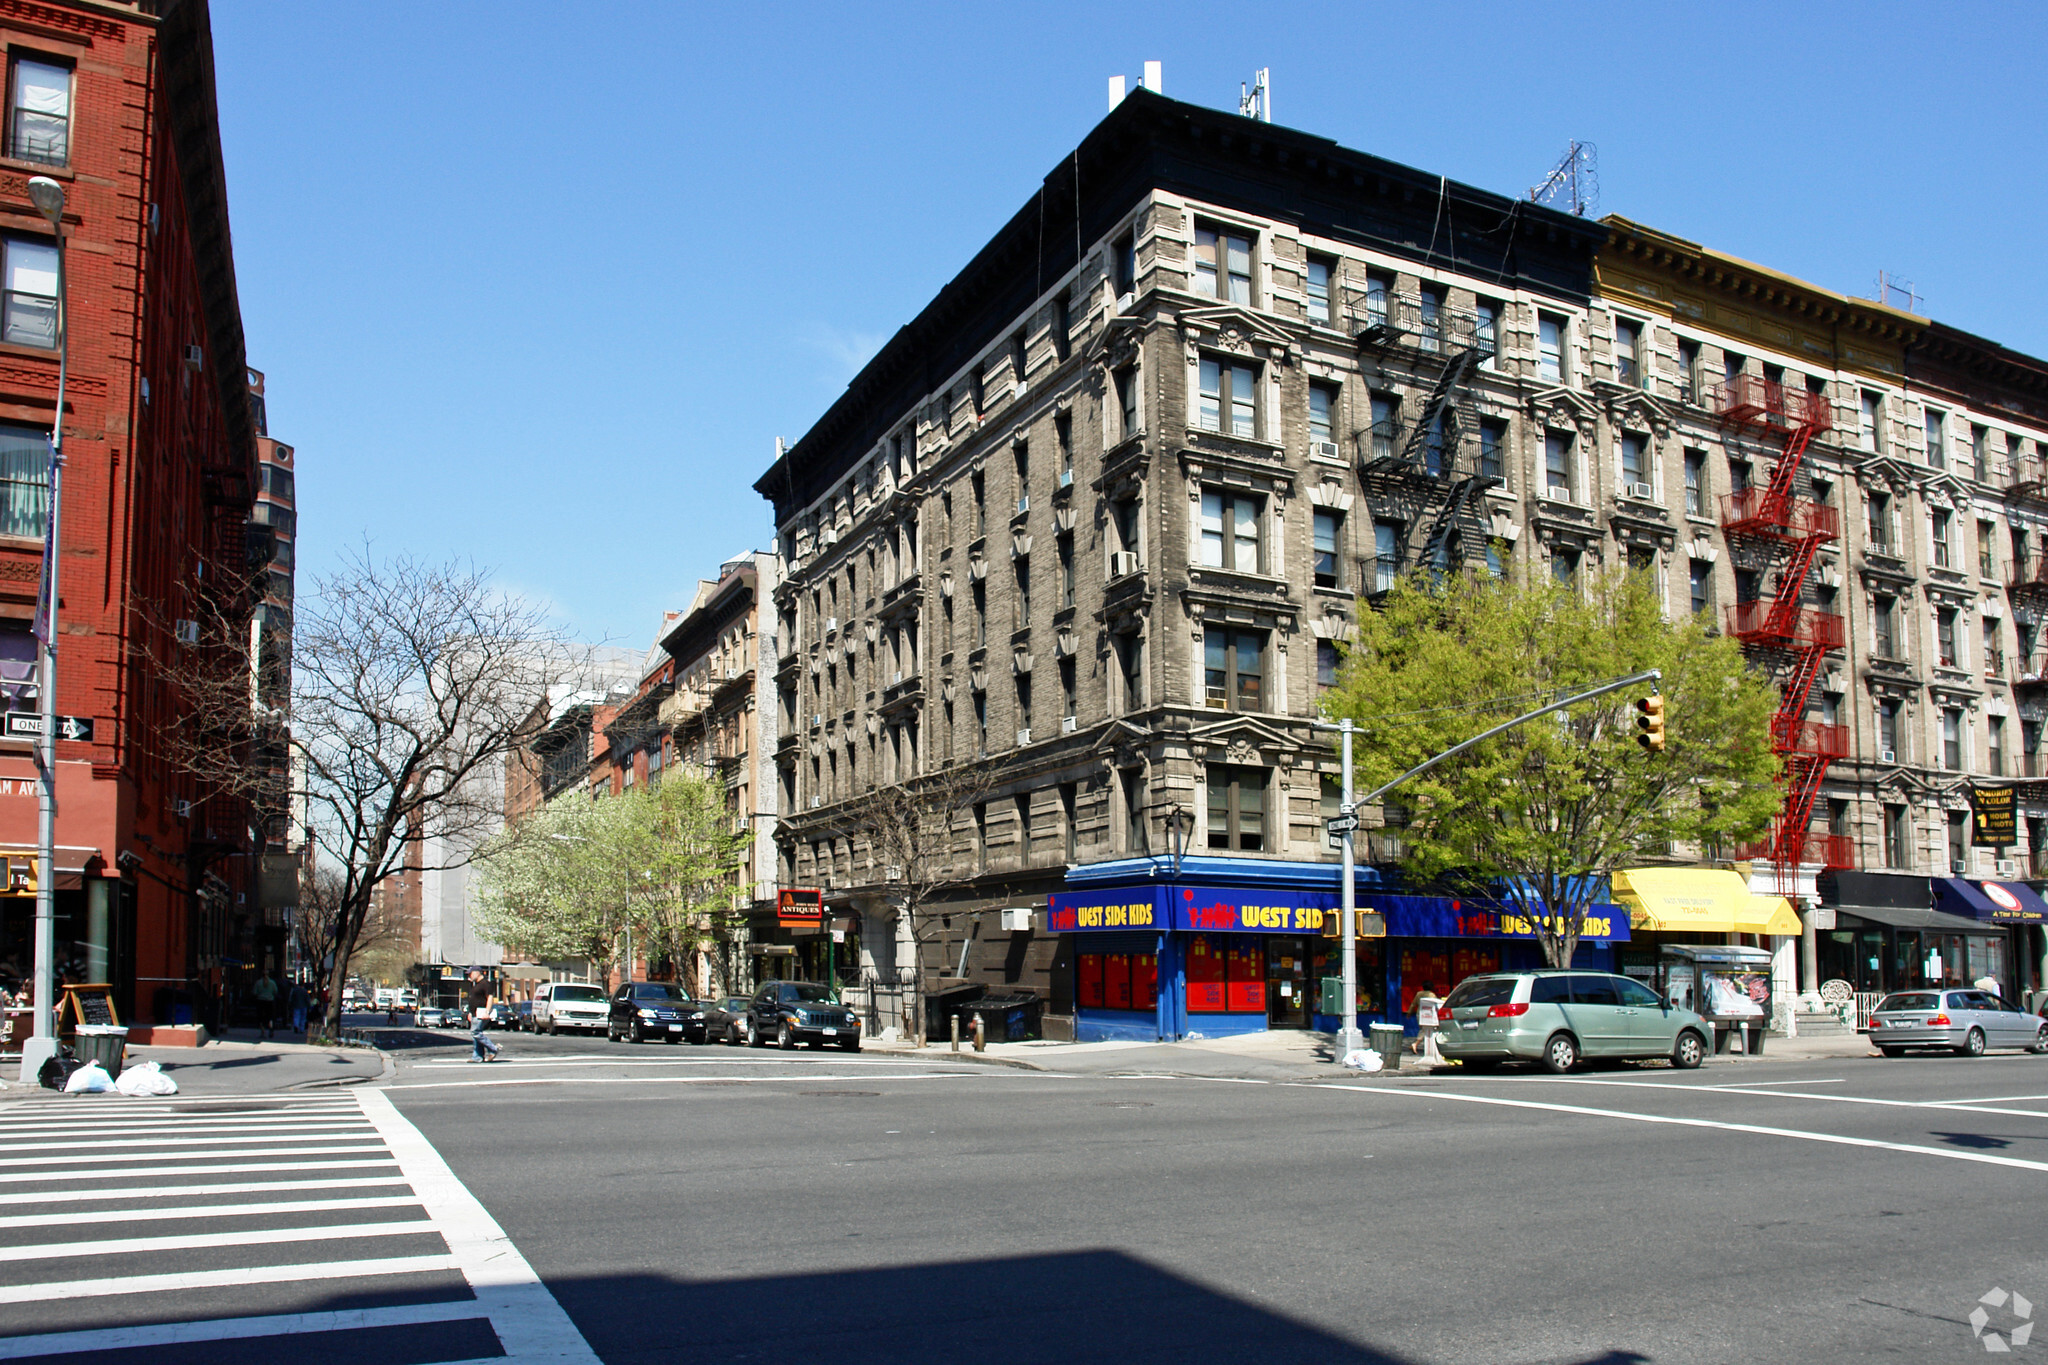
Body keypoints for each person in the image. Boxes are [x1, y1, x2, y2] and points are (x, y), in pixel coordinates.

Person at [467, 969, 500, 1063]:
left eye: (470, 973)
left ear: (477, 972)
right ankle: (477, 1057)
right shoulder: (476, 985)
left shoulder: (486, 984)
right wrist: (470, 1012)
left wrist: (487, 1011)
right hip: (475, 1014)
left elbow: (490, 997)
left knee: (475, 1032)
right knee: (476, 1036)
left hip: (482, 1013)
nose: (469, 976)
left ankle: (493, 1048)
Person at [251, 972, 279, 1040]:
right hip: (270, 1001)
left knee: (260, 1017)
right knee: (270, 1016)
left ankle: (263, 1031)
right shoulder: (272, 983)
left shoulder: (258, 983)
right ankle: (271, 1029)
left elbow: (254, 992)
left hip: (260, 1001)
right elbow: (275, 991)